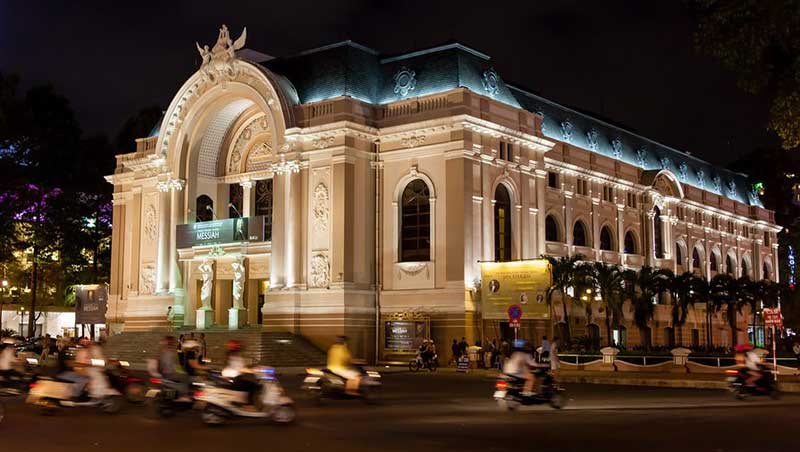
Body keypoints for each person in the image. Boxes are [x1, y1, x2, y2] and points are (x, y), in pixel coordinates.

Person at [222, 340, 260, 409]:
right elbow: (240, 368)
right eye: (239, 347)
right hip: (233, 379)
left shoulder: (233, 356)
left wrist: (251, 369)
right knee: (252, 386)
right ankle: (248, 405)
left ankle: (242, 403)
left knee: (248, 383)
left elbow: (242, 367)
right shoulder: (234, 357)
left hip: (233, 378)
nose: (241, 348)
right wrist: (253, 371)